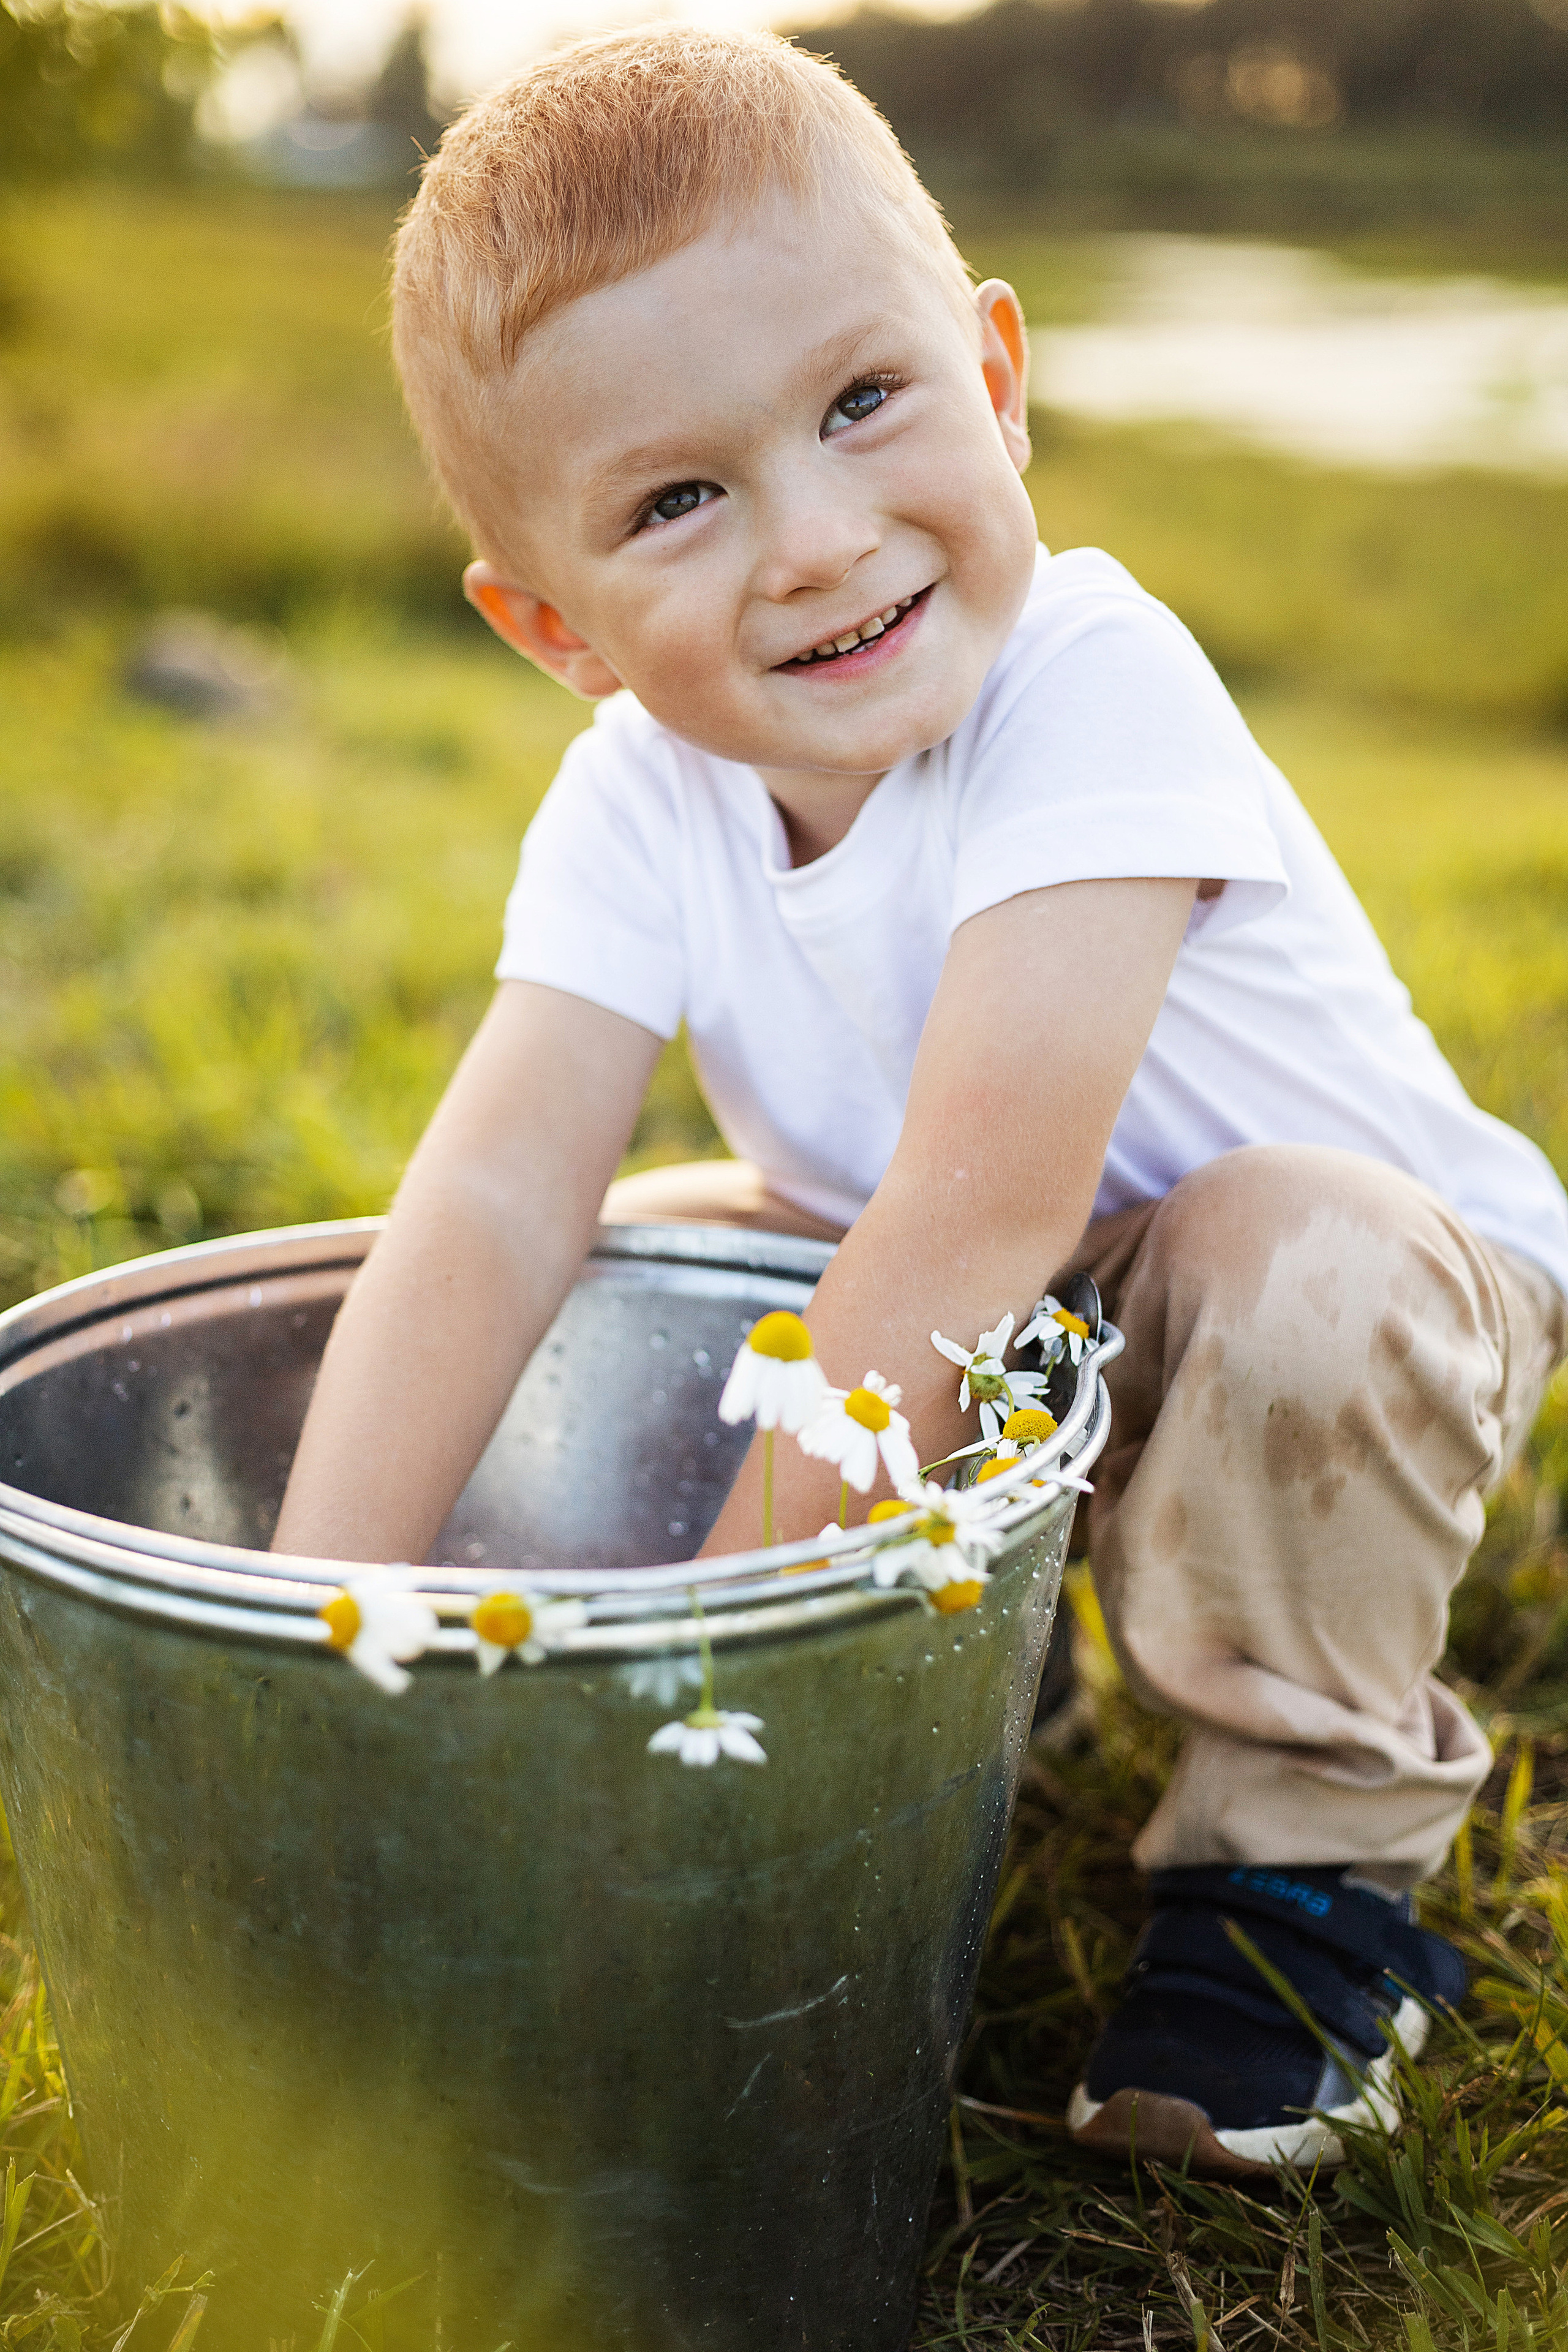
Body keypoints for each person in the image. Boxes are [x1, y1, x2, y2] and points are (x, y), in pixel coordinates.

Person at [271, 24, 1568, 2178]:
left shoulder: (1092, 680)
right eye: (677, 500)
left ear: (995, 373)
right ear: (552, 624)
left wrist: (688, 1694)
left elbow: (975, 1225)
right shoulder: (636, 805)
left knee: (1283, 1257)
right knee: (658, 1248)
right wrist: (324, 1631)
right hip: (1010, 1308)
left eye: (863, 403)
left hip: (1349, 1302)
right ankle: (978, 1651)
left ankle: (1299, 1874)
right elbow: (494, 1202)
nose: (815, 539)